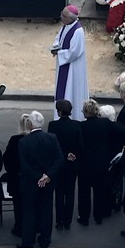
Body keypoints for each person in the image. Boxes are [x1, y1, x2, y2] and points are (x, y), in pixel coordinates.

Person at [16, 111, 63, 248]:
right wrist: (47, 176)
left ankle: (28, 241)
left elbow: (24, 166)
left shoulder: (24, 142)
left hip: (30, 182)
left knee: (29, 212)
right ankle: (45, 240)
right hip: (47, 182)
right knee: (46, 212)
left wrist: (38, 177)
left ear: (30, 124)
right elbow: (59, 159)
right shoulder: (52, 138)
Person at [78, 100, 116, 225]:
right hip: (101, 162)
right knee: (99, 191)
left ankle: (84, 217)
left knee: (84, 193)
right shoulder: (105, 123)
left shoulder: (82, 126)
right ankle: (98, 216)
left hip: (85, 164)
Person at [47, 99, 82, 231]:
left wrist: (63, 154)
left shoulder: (53, 125)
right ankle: (68, 221)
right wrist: (72, 154)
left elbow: (52, 146)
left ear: (60, 112)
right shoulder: (77, 125)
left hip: (58, 164)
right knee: (70, 192)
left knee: (59, 192)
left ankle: (59, 220)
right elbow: (80, 144)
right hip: (72, 163)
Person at [51, 5, 89, 122]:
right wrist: (55, 47)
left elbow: (75, 51)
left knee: (72, 90)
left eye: (63, 15)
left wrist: (60, 53)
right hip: (65, 65)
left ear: (70, 18)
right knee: (64, 90)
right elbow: (59, 39)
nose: (61, 16)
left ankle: (75, 117)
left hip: (73, 69)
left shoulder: (78, 31)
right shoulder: (66, 26)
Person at [2, 113, 33, 237]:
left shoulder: (14, 140)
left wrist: (11, 171)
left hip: (16, 178)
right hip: (30, 178)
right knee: (31, 205)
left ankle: (19, 226)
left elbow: (7, 159)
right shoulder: (33, 139)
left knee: (18, 205)